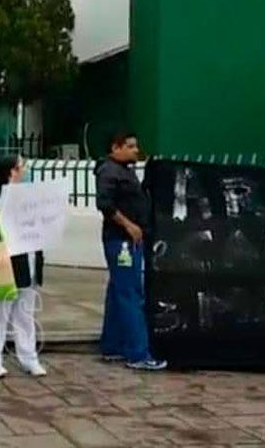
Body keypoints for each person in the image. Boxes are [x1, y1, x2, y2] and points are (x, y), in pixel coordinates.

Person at [95, 132, 167, 371]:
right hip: (122, 241)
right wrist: (129, 226)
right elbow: (105, 205)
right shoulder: (109, 172)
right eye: (130, 146)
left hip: (126, 239)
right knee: (130, 294)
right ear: (115, 148)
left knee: (118, 291)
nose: (136, 150)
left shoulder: (124, 170)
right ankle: (138, 353)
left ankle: (112, 345)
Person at [0, 155, 47, 378]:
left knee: (25, 315)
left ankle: (29, 358)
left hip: (29, 260)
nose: (26, 170)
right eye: (22, 167)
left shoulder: (31, 198)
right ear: (12, 172)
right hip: (5, 263)